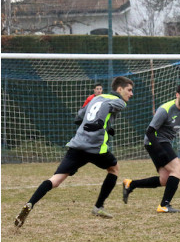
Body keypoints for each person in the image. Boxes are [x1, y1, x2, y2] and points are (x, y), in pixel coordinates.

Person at [15, 76, 134, 227]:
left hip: (77, 144)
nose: (131, 94)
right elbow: (104, 109)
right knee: (114, 169)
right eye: (129, 90)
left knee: (55, 180)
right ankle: (98, 207)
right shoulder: (119, 101)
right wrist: (98, 123)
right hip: (96, 148)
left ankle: (30, 204)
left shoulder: (96, 98)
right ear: (119, 89)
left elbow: (80, 115)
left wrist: (104, 126)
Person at [122, 82, 180, 213]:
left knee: (164, 180)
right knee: (177, 170)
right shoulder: (165, 110)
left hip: (164, 143)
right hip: (154, 142)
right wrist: (159, 151)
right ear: (177, 95)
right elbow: (149, 132)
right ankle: (164, 205)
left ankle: (130, 184)